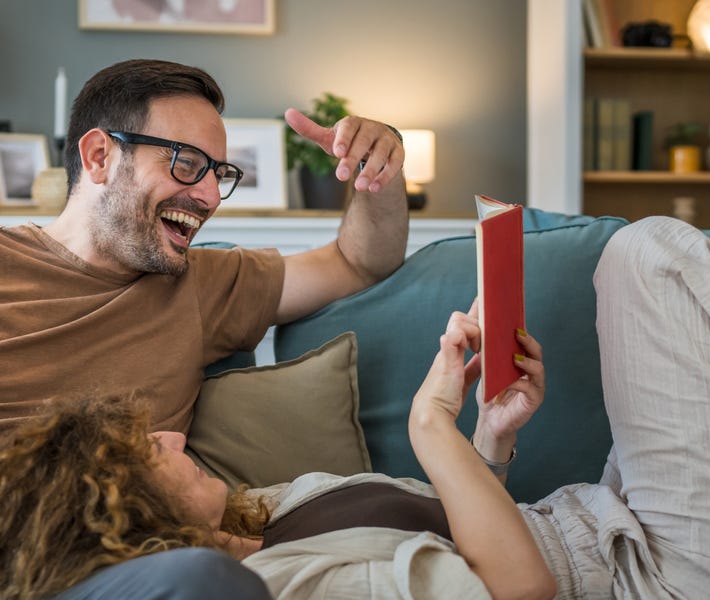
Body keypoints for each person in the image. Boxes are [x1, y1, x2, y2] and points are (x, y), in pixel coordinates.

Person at [3, 215, 710, 598]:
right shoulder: (292, 586)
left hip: (605, 516)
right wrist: (430, 425)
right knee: (647, 257)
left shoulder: (259, 514)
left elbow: (454, 533)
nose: (175, 435)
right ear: (130, 515)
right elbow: (518, 591)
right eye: (151, 454)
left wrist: (488, 441)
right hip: (655, 581)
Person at [0, 58, 408, 437]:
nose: (211, 197)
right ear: (99, 156)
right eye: (187, 163)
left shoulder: (201, 286)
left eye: (218, 173)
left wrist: (376, 165)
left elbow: (360, 261)